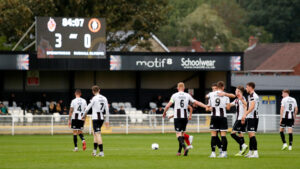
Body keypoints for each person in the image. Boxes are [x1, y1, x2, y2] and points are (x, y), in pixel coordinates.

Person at [162, 82, 207, 156]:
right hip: (185, 117)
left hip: (178, 117)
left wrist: (164, 112)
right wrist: (205, 106)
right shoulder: (187, 95)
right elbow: (196, 102)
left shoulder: (174, 95)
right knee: (182, 134)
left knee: (178, 134)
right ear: (184, 88)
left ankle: (184, 147)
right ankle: (179, 151)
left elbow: (168, 106)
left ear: (177, 88)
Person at [82, 85, 109, 157]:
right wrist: (107, 120)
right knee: (95, 133)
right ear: (99, 90)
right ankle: (94, 151)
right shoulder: (104, 98)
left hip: (96, 118)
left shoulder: (94, 98)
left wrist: (84, 115)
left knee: (98, 134)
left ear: (93, 91)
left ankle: (101, 152)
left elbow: (88, 107)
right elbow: (107, 110)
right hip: (101, 118)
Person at [207, 81, 231, 158]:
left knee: (213, 135)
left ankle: (213, 153)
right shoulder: (226, 96)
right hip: (223, 117)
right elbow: (228, 108)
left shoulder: (211, 94)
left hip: (214, 117)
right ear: (223, 87)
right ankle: (224, 153)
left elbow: (208, 106)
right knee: (223, 136)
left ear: (217, 87)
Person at [228, 86, 248, 156]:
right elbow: (230, 105)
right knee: (240, 135)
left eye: (236, 91)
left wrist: (243, 117)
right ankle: (241, 151)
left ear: (239, 92)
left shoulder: (242, 98)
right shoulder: (237, 100)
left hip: (240, 119)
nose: (235, 92)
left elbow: (246, 107)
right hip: (239, 119)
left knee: (232, 134)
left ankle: (243, 145)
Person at [242, 82, 259, 158]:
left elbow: (252, 107)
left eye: (247, 87)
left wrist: (245, 114)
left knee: (252, 135)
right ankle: (250, 152)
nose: (246, 88)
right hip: (251, 117)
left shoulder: (252, 95)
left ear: (250, 87)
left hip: (253, 117)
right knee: (250, 135)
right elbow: (249, 106)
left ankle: (255, 153)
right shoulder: (251, 95)